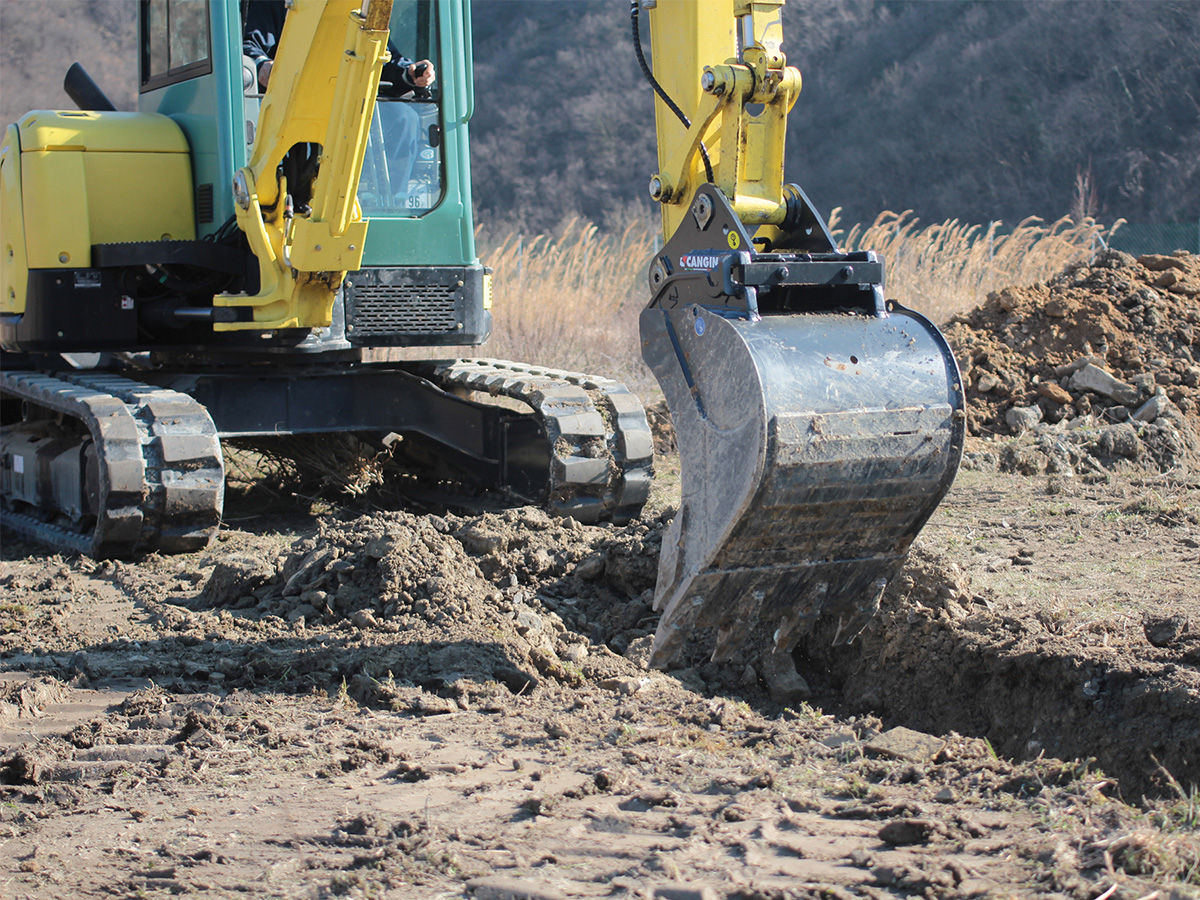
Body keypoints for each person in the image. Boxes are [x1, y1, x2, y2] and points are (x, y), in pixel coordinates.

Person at [242, 0, 435, 207]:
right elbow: (251, 47)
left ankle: (392, 203)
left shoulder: (357, 9)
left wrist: (410, 73)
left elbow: (382, 54)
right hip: (297, 104)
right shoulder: (278, 4)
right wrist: (264, 66)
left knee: (403, 118)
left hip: (349, 103)